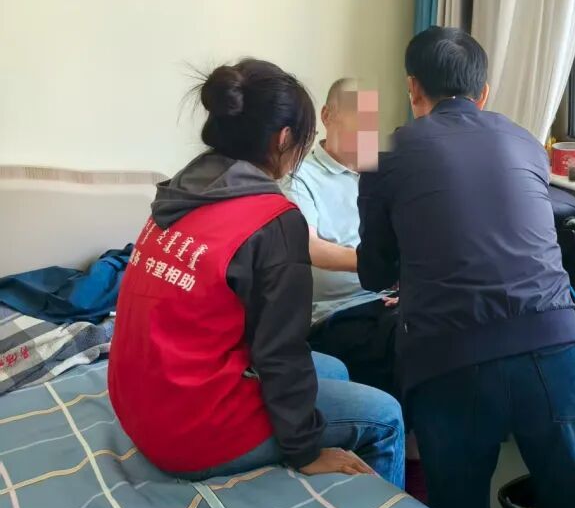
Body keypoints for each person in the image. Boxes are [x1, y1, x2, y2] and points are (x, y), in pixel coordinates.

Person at [356, 27, 575, 508]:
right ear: (484, 92)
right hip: (554, 349)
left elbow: (374, 271)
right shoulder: (526, 142)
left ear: (413, 88)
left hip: (450, 364)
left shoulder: (388, 156)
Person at [108, 60, 405, 486]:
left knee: (334, 371)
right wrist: (306, 450)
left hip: (139, 409)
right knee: (387, 416)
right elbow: (281, 353)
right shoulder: (273, 219)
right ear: (284, 139)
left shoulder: (179, 193)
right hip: (190, 433)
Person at [283, 78, 398, 393]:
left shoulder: (379, 173)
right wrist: (379, 267)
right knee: (405, 340)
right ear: (327, 115)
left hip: (385, 299)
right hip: (336, 311)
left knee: (443, 325)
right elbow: (309, 247)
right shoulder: (300, 176)